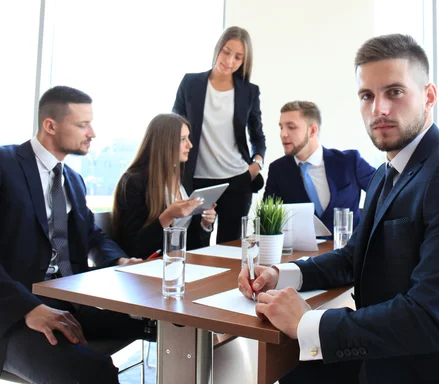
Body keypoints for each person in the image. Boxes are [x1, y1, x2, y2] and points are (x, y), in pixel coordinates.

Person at [238, 34, 439, 383]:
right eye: (367, 96)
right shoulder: (387, 173)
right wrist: (282, 274)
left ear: (429, 96)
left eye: (395, 92)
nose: (380, 109)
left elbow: (432, 319)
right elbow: (353, 256)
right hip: (400, 354)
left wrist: (307, 323)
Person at [0, 86, 152, 383]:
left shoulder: (72, 179)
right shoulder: (4, 166)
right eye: (82, 124)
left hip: (66, 301)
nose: (92, 132)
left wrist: (120, 260)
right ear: (50, 125)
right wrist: (28, 308)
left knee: (160, 327)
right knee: (93, 372)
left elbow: (92, 235)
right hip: (14, 313)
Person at [173, 26, 266, 244]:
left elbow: (258, 136)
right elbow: (174, 130)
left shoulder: (249, 92)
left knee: (231, 247)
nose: (230, 61)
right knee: (195, 245)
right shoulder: (190, 84)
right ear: (218, 49)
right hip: (197, 180)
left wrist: (257, 164)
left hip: (237, 180)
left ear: (244, 61)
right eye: (226, 52)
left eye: (238, 57)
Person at [112, 113, 217, 259]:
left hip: (182, 263)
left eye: (188, 138)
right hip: (147, 270)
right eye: (182, 139)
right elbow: (134, 247)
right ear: (164, 143)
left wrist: (204, 224)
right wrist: (168, 216)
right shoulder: (133, 182)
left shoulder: (182, 178)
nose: (190, 145)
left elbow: (193, 247)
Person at [264, 101, 375, 234]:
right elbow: (267, 221)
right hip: (302, 253)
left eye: (291, 127)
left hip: (350, 251)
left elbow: (387, 192)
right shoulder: (278, 170)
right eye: (281, 127)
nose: (283, 134)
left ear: (312, 130)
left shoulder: (349, 161)